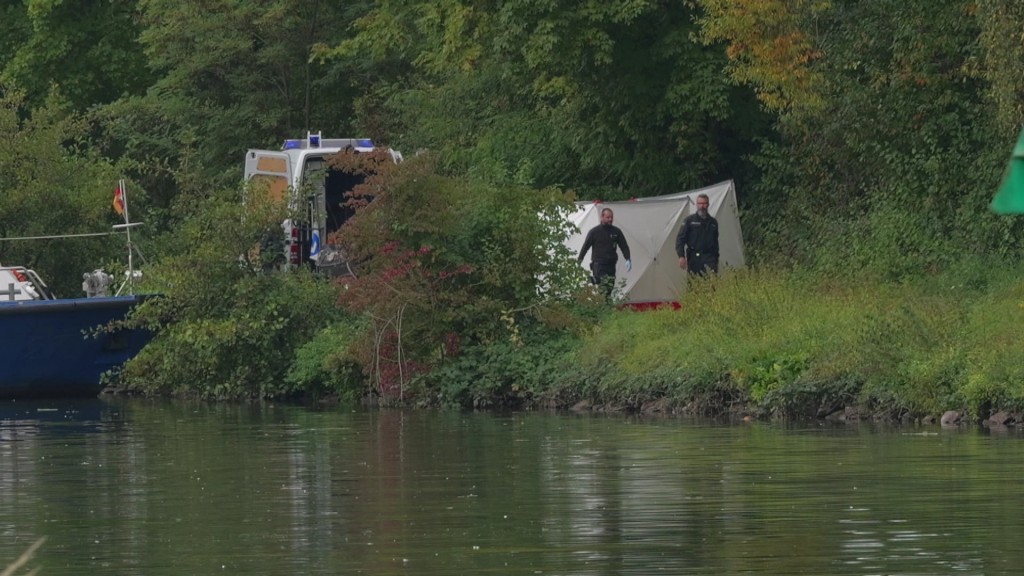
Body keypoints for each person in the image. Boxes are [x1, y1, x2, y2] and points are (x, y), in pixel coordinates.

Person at [578, 207, 631, 298]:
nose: (610, 219)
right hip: (599, 264)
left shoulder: (616, 232)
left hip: (611, 265)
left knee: (609, 287)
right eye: (608, 217)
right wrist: (579, 260)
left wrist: (628, 258)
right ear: (602, 217)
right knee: (603, 286)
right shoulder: (594, 232)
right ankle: (594, 280)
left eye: (611, 217)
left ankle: (605, 306)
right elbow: (585, 247)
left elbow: (624, 246)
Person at [676, 193, 719, 276]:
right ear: (696, 204)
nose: (702, 206)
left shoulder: (713, 222)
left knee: (711, 284)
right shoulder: (689, 221)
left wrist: (716, 258)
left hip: (709, 257)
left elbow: (715, 242)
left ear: (708, 204)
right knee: (694, 284)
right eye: (700, 204)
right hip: (694, 257)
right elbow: (680, 239)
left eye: (704, 203)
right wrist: (681, 256)